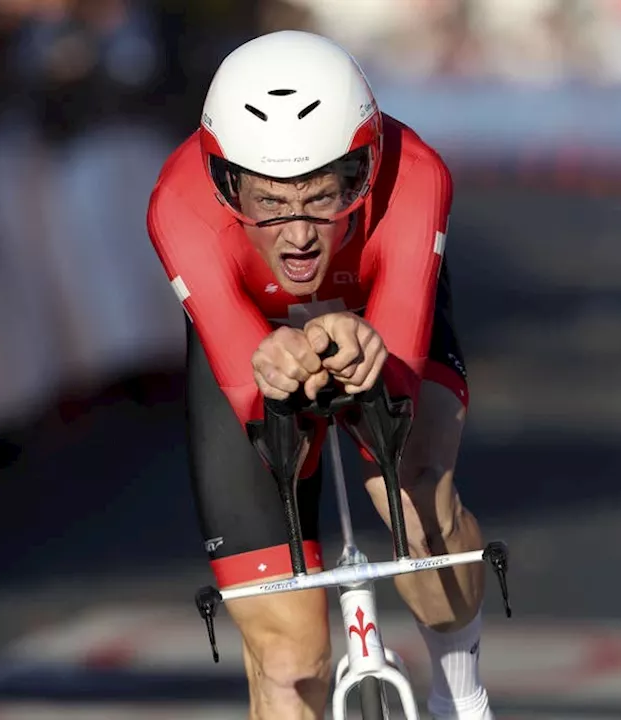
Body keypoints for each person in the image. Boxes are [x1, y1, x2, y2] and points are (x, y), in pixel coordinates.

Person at [146, 30, 493, 720]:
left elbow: (393, 392)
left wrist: (369, 358)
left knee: (419, 504)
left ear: (363, 170)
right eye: (269, 203)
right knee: (288, 663)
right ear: (225, 182)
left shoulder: (417, 173)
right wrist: (274, 368)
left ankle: (461, 695)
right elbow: (254, 399)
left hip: (382, 318)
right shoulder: (178, 205)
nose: (299, 233)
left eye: (324, 193)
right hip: (253, 333)